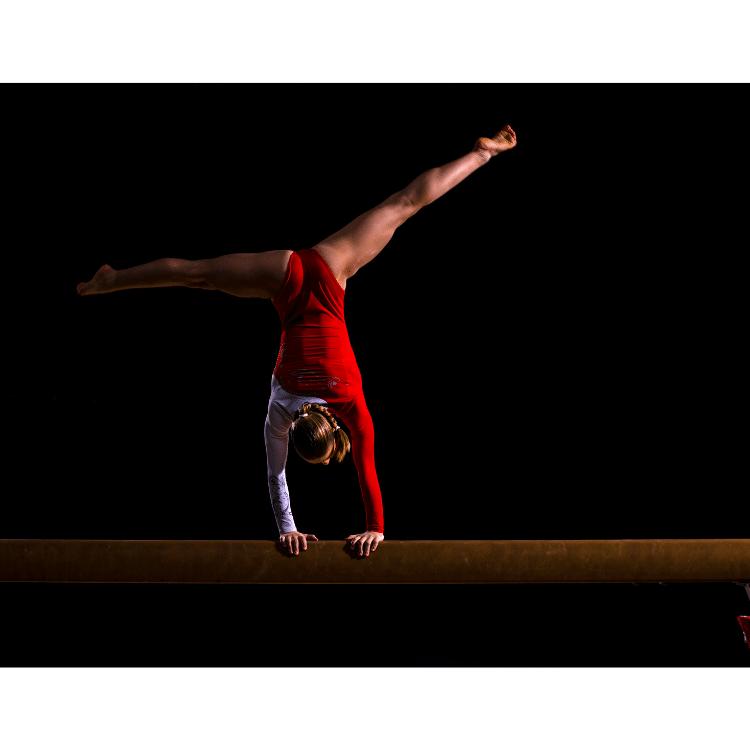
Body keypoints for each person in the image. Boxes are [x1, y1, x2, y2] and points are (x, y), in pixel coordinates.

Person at [77, 124, 518, 557]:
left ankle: (483, 154)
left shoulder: (351, 406)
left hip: (329, 271)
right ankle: (111, 280)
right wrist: (287, 528)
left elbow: (366, 469)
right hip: (287, 278)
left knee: (404, 204)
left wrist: (375, 528)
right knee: (199, 275)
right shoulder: (280, 405)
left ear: (334, 428)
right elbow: (276, 476)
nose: (329, 463)